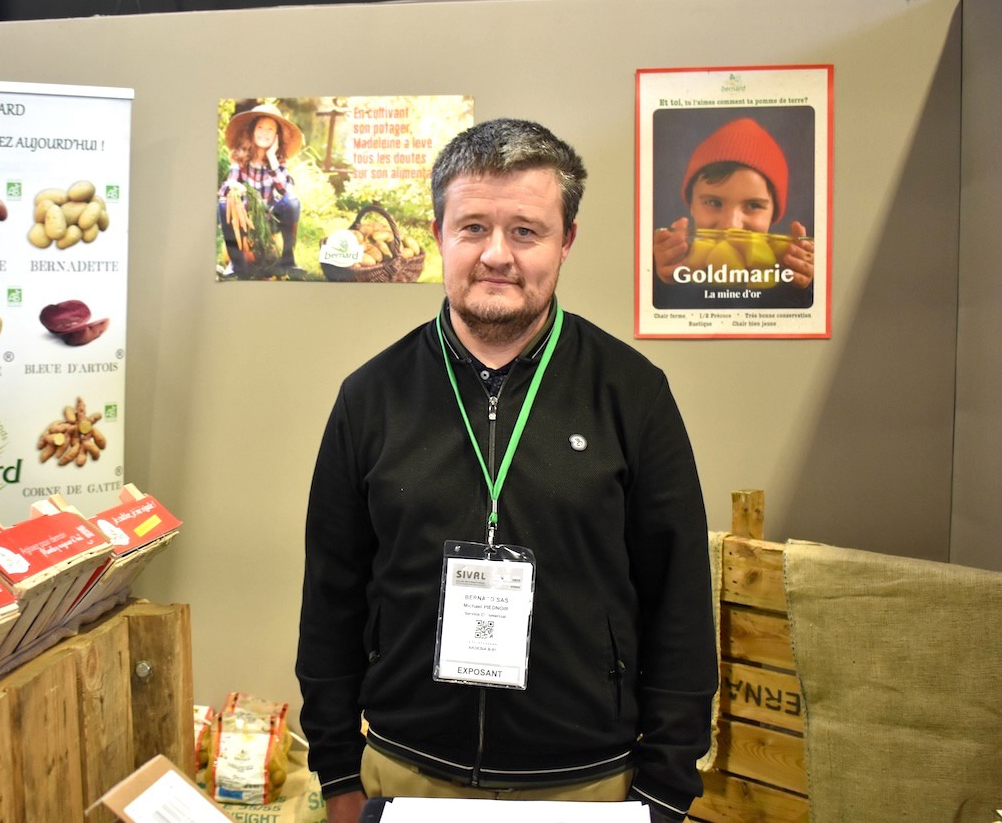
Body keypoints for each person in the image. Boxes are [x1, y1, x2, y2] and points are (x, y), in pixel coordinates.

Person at [297, 118, 717, 823]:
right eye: (473, 228)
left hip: (589, 785)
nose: (497, 254)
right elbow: (330, 597)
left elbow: (679, 599)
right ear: (439, 234)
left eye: (525, 231)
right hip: (404, 774)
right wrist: (337, 768)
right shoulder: (371, 398)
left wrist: (665, 788)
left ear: (566, 240)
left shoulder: (632, 394)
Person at [651, 116, 815, 308]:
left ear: (773, 214)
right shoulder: (674, 259)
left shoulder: (784, 269)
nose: (731, 225)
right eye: (713, 202)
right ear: (692, 206)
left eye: (753, 205)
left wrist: (800, 289)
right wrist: (662, 280)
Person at [218, 102, 305, 279]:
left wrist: (272, 157)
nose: (265, 133)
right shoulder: (241, 157)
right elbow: (228, 186)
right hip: (245, 220)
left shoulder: (278, 160)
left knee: (292, 201)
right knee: (223, 203)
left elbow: (284, 190)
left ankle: (288, 262)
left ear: (276, 136)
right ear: (252, 130)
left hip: (270, 218)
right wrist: (234, 186)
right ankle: (237, 264)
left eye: (270, 129)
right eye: (260, 127)